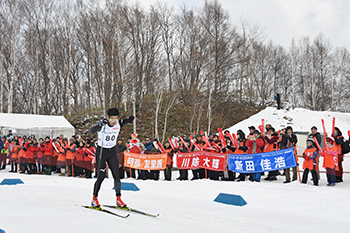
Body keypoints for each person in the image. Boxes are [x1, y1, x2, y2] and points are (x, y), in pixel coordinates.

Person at [89, 108, 134, 207]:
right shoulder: (102, 124)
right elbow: (91, 131)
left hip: (111, 151)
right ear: (107, 117)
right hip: (101, 151)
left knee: (117, 176)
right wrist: (100, 124)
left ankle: (118, 199)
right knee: (101, 177)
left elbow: (124, 121)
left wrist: (130, 120)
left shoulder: (118, 123)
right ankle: (94, 198)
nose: (114, 122)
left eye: (116, 119)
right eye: (112, 119)